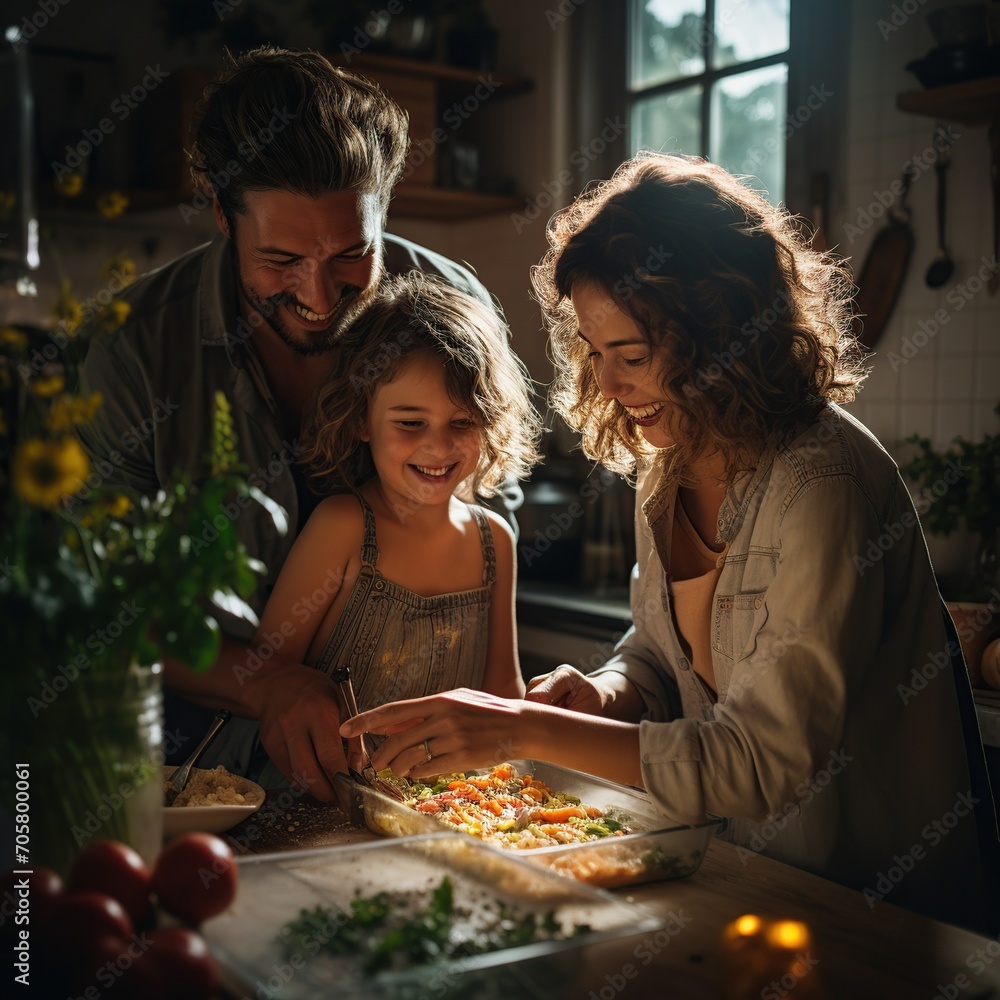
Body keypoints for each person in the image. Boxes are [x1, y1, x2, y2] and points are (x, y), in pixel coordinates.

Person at [341, 151, 998, 932]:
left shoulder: (824, 486)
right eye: (596, 353)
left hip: (877, 914)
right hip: (746, 885)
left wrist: (524, 727)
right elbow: (659, 656)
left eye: (635, 355)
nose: (611, 386)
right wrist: (605, 694)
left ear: (720, 335)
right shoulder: (670, 467)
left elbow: (763, 766)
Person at [77, 46, 506, 800]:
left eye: (351, 255)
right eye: (280, 259)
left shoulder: (446, 301)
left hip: (407, 781)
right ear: (221, 214)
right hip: (189, 772)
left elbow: (483, 522)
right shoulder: (137, 345)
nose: (318, 294)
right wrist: (264, 681)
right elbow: (98, 607)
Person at [247, 272, 540, 788]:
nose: (438, 446)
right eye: (410, 423)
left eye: (463, 423)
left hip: (451, 806)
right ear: (362, 419)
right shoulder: (341, 527)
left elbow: (503, 699)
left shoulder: (496, 541)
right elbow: (268, 682)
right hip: (322, 798)